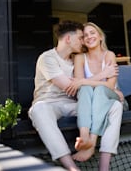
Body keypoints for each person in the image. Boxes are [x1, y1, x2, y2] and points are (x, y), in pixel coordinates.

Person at [28, 20, 121, 171]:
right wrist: (103, 75)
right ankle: (72, 167)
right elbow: (72, 86)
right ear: (68, 39)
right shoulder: (47, 58)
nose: (83, 41)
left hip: (73, 103)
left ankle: (100, 159)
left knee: (114, 106)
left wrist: (111, 90)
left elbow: (82, 88)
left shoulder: (75, 59)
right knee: (39, 111)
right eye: (80, 37)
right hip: (48, 103)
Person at [69, 22, 124, 170]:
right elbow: (80, 86)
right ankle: (84, 135)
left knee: (98, 90)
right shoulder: (80, 57)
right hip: (93, 101)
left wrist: (86, 81)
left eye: (92, 33)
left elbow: (110, 87)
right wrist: (103, 75)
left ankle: (91, 143)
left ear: (100, 36)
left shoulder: (109, 55)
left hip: (111, 96)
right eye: (85, 35)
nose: (89, 37)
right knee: (86, 89)